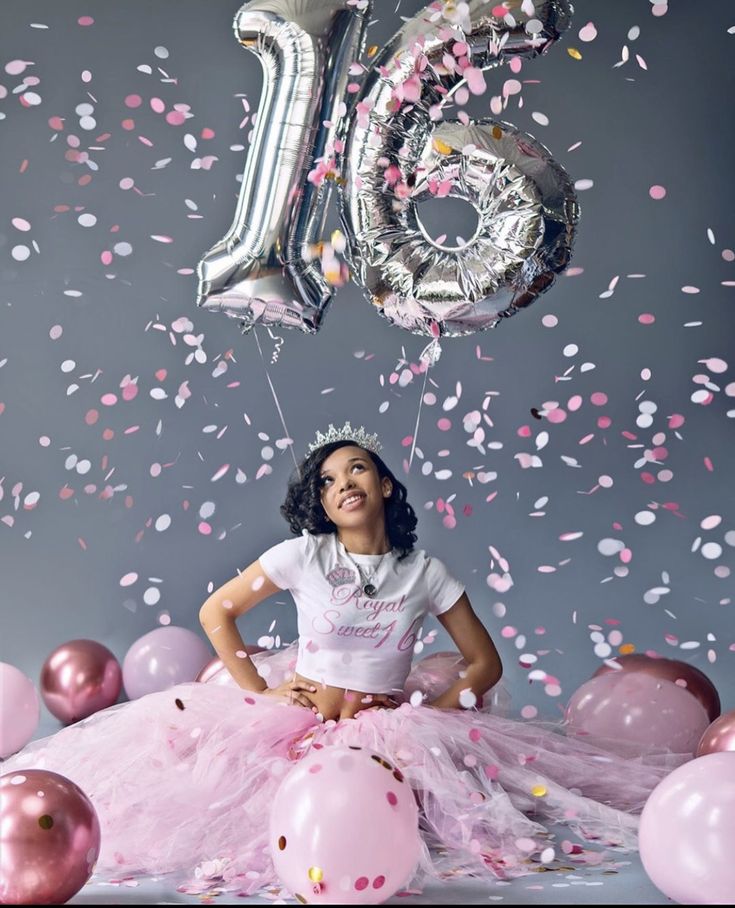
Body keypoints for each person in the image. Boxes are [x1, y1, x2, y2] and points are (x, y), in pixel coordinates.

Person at [1, 422, 687, 897]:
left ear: (385, 485)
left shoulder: (423, 572)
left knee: (404, 818)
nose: (344, 483)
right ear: (322, 505)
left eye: (357, 467)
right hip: (290, 722)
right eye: (328, 481)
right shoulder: (304, 556)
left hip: (382, 726)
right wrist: (256, 692)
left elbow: (482, 663)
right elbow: (218, 612)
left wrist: (436, 716)